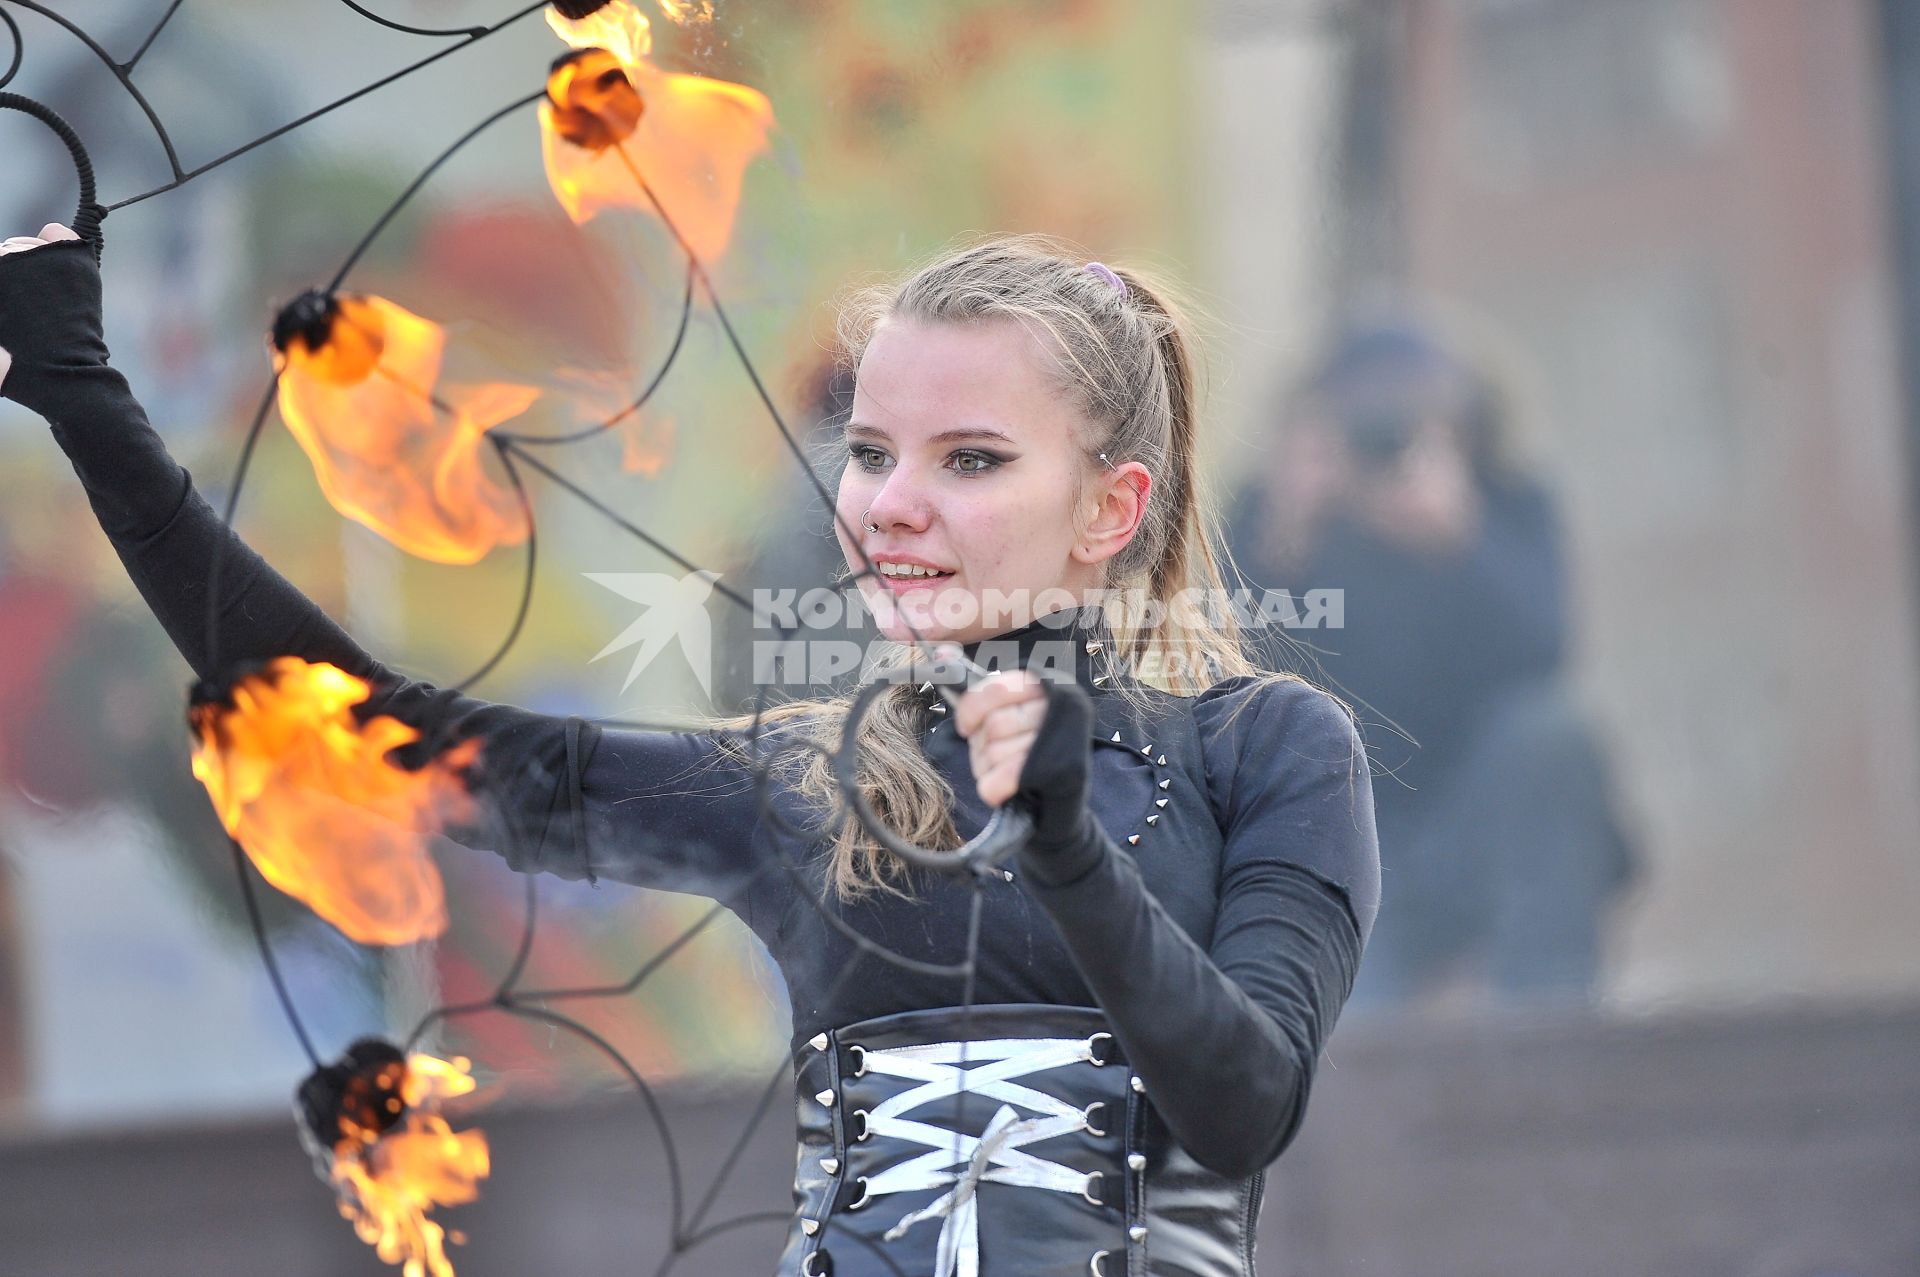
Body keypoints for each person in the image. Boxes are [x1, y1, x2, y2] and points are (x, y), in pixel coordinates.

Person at [0, 227, 1379, 1277]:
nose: (891, 506)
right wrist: (86, 406)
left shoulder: (1264, 747)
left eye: (969, 460)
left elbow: (1245, 1102)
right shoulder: (804, 785)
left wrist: (1068, 841)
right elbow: (370, 733)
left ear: (1109, 507)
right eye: (870, 453)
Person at [1227, 318, 1636, 1011]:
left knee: (1554, 732)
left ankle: (1553, 1021)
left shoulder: (1507, 503)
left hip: (1478, 827)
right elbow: (1220, 682)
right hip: (1340, 832)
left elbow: (1547, 650)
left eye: (1408, 426)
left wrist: (1461, 540)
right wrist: (1282, 549)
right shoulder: (1271, 521)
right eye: (1362, 428)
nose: (1384, 449)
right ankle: (1348, 1045)